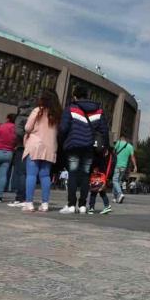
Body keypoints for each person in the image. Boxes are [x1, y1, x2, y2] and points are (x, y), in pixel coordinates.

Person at [58, 86, 109, 215]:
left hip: (73, 145)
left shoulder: (71, 109)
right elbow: (104, 131)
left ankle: (71, 205)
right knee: (86, 175)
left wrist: (62, 142)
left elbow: (63, 128)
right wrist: (105, 148)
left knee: (73, 174)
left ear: (75, 96)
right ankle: (82, 205)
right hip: (89, 147)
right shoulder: (98, 111)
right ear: (87, 96)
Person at [22, 90, 62, 212]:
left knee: (31, 174)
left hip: (35, 145)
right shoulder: (57, 114)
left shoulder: (38, 110)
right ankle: (45, 203)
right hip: (50, 146)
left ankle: (29, 202)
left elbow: (27, 127)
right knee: (45, 176)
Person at [7, 99, 35, 208]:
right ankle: (27, 197)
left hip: (22, 147)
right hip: (33, 147)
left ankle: (20, 197)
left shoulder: (20, 117)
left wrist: (25, 137)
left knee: (21, 173)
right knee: (30, 173)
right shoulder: (34, 116)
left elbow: (18, 132)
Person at [87, 144, 114, 214]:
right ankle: (107, 206)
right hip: (101, 173)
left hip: (98, 174)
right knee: (101, 192)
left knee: (94, 192)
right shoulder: (104, 148)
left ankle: (91, 208)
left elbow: (95, 162)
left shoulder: (96, 150)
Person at [111, 135, 137, 204]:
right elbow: (132, 157)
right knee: (118, 182)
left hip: (117, 165)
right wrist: (135, 166)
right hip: (124, 167)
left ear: (121, 138)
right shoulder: (130, 146)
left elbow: (113, 152)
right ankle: (115, 198)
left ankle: (120, 193)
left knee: (114, 180)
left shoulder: (118, 143)